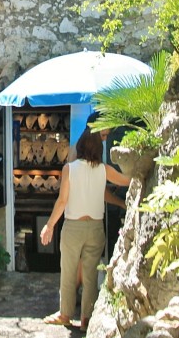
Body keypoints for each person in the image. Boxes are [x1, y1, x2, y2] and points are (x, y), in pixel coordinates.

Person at [41, 128, 131, 330]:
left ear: (80, 146)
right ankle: (86, 320)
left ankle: (65, 314)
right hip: (96, 227)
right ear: (100, 148)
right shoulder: (104, 170)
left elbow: (62, 201)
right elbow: (127, 180)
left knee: (69, 271)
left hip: (73, 227)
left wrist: (49, 225)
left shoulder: (69, 169)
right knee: (90, 275)